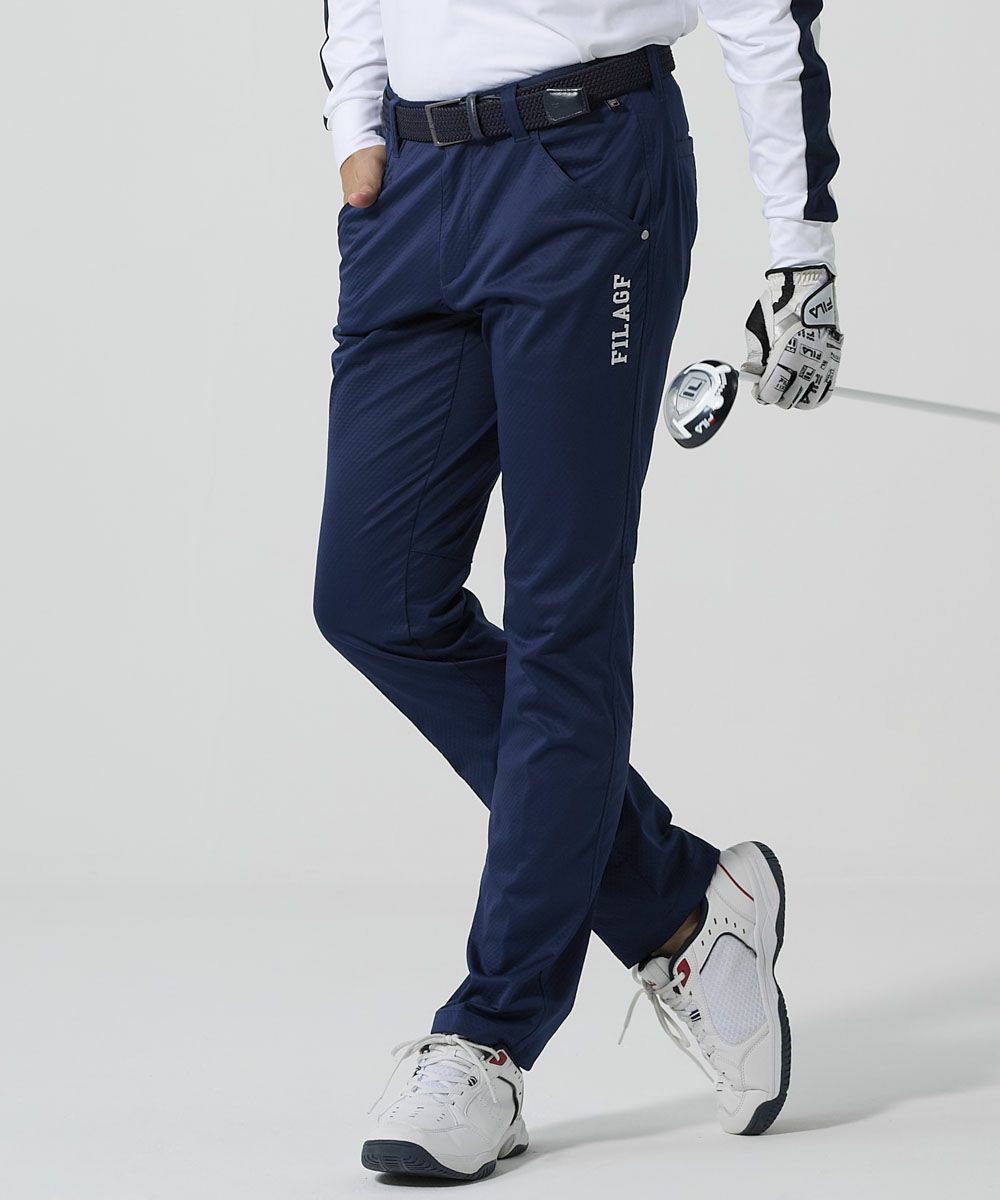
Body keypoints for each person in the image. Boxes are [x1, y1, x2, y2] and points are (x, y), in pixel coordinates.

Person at [315, 1, 843, 1181]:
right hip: (413, 186)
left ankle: (488, 1040)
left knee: (565, 614)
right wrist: (357, 131)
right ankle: (680, 908)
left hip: (585, 170)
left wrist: (798, 251)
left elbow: (764, 10)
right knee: (374, 601)